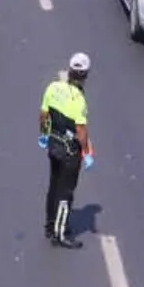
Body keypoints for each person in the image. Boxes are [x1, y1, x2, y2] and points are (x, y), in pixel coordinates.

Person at [39, 53, 93, 249]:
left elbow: (44, 114)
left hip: (53, 145)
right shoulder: (79, 100)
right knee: (66, 193)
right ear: (85, 75)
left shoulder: (53, 88)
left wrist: (44, 135)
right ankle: (60, 234)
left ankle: (49, 225)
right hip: (70, 152)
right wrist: (86, 152)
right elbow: (81, 130)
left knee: (53, 186)